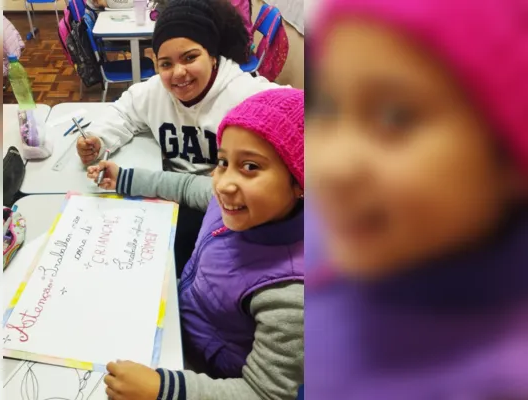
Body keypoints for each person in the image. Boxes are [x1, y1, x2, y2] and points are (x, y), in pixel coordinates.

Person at [304, 0, 528, 398]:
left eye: (396, 117)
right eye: (326, 107)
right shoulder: (348, 229)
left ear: (509, 153)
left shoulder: (498, 381)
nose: (334, 165)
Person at [87, 89, 305, 400]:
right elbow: (188, 185)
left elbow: (263, 393)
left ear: (299, 182)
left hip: (207, 373)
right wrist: (125, 178)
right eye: (223, 161)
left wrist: (163, 390)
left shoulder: (291, 294)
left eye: (250, 167)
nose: (224, 183)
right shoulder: (231, 202)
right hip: (177, 314)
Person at [76, 0, 284, 175]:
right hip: (172, 192)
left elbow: (293, 112)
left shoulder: (243, 94)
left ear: (212, 56)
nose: (178, 73)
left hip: (222, 202)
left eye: (190, 58)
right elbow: (124, 111)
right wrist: (99, 139)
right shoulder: (156, 90)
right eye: (166, 63)